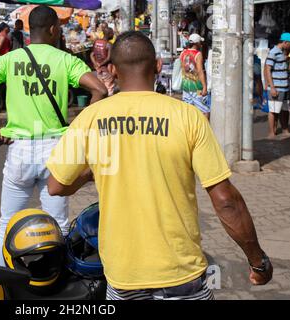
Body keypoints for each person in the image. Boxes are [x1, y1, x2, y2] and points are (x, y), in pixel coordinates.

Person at [46, 31, 273, 301]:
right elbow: (225, 200)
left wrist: (92, 170)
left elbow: (57, 185)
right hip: (182, 273)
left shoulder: (90, 118)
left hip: (124, 274)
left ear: (114, 71)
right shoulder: (188, 117)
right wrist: (257, 260)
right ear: (157, 66)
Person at [0, 5, 107, 267]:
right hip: (55, 149)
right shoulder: (65, 60)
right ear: (54, 29)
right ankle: (61, 281)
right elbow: (99, 89)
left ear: (31, 29)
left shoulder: (11, 59)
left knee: (8, 222)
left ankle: (0, 281)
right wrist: (79, 131)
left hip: (19, 149)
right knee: (59, 224)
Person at [264, 33, 290, 139]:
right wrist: (272, 87)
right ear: (285, 42)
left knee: (285, 109)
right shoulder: (273, 52)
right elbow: (267, 69)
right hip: (277, 87)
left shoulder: (283, 53)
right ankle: (271, 132)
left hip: (285, 87)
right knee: (273, 110)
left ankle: (285, 129)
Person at [180, 33, 209, 118]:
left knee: (187, 112)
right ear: (197, 44)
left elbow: (183, 68)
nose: (201, 44)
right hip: (196, 87)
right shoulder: (198, 54)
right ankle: (204, 130)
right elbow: (200, 71)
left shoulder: (183, 53)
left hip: (185, 87)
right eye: (200, 42)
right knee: (205, 111)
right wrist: (204, 87)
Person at [90, 27, 115, 96]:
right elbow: (109, 58)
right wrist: (101, 64)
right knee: (109, 88)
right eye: (112, 33)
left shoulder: (96, 42)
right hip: (107, 70)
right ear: (109, 34)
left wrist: (96, 64)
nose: (113, 35)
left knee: (101, 88)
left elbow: (92, 55)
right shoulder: (109, 44)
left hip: (98, 70)